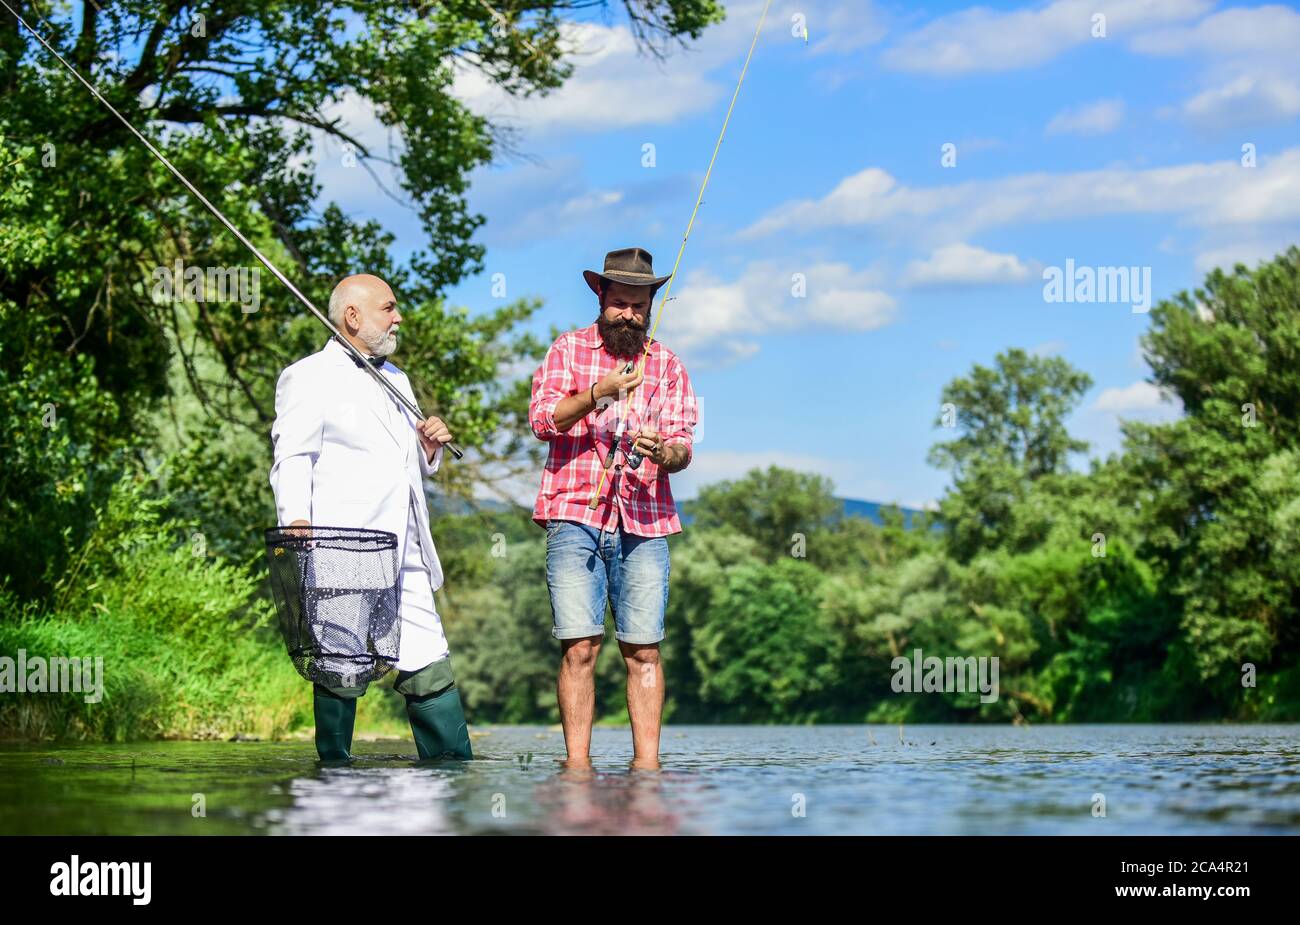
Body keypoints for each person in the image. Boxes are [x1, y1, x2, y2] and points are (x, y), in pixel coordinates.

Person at [269, 273, 472, 762]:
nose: (398, 317)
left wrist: (427, 447)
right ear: (353, 316)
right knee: (341, 664)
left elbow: (405, 463)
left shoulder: (398, 378)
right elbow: (290, 456)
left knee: (428, 662)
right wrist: (297, 524)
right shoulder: (308, 375)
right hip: (345, 549)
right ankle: (334, 775)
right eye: (389, 307)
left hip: (407, 550)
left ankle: (449, 771)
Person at [529, 247, 699, 770]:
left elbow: (683, 446)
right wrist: (597, 393)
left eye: (638, 305)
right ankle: (577, 769)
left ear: (651, 305)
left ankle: (646, 769)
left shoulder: (666, 364)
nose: (628, 314)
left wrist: (664, 452)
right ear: (600, 297)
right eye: (619, 303)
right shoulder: (567, 349)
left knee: (643, 650)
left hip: (644, 520)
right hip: (575, 513)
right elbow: (542, 420)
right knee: (580, 648)